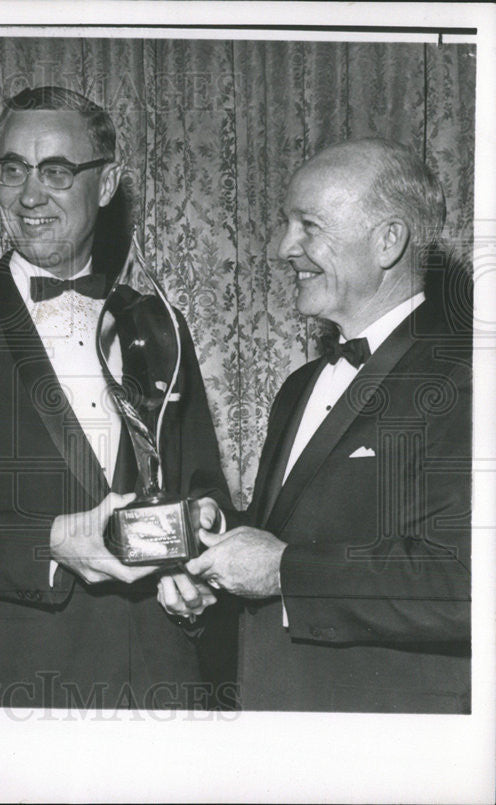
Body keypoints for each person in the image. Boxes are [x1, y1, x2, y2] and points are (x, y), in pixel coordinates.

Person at [0, 86, 232, 709]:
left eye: (57, 171)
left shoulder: (160, 324)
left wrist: (202, 545)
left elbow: (204, 489)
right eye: (12, 169)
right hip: (25, 695)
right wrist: (50, 541)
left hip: (168, 685)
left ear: (106, 184)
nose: (29, 194)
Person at [159, 138, 471, 713]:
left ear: (388, 241)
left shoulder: (466, 381)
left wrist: (281, 570)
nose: (283, 247)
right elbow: (291, 544)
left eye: (309, 225)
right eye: (286, 223)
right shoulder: (299, 387)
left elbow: (464, 585)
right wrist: (216, 577)